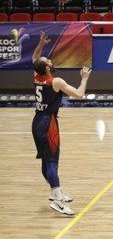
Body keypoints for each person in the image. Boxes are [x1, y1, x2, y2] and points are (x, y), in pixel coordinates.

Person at [32, 31, 91, 215]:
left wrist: (41, 44)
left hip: (36, 121)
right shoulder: (55, 81)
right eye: (48, 61)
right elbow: (79, 95)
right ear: (47, 68)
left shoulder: (37, 75)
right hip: (48, 123)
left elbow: (35, 58)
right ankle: (56, 199)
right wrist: (84, 79)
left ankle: (55, 192)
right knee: (51, 161)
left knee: (45, 160)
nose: (50, 61)